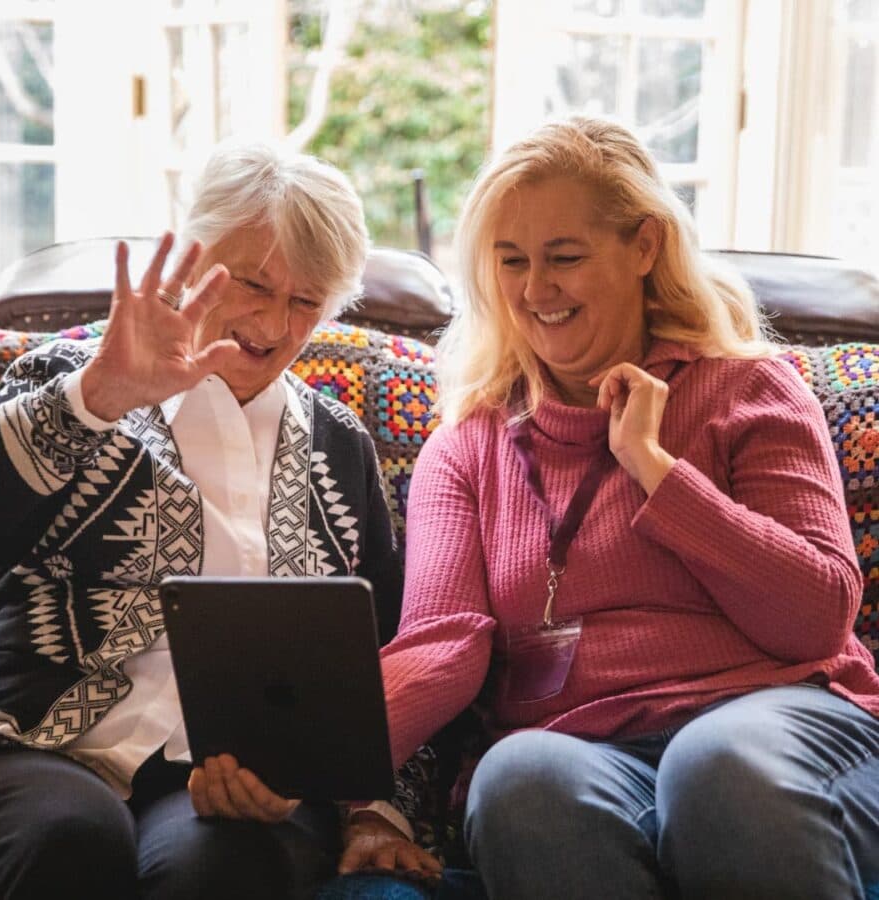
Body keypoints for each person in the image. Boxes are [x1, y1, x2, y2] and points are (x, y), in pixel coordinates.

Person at [0, 143, 438, 899]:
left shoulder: (340, 447)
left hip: (223, 787)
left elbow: (383, 656)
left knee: (216, 869)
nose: (273, 323)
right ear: (193, 258)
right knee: (73, 838)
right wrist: (95, 398)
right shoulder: (71, 375)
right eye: (252, 283)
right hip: (17, 744)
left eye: (306, 302)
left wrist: (334, 790)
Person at [364, 115, 879, 899]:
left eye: (565, 257)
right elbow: (441, 644)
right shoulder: (468, 445)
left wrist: (655, 468)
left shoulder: (750, 389)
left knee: (718, 764)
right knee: (517, 776)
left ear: (644, 247)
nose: (537, 291)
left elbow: (816, 616)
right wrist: (305, 767)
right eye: (512, 262)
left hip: (780, 720)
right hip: (584, 745)